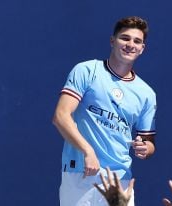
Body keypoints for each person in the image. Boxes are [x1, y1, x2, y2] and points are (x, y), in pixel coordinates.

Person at [53, 16, 157, 206]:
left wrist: (145, 149)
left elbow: (149, 142)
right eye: (124, 38)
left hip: (120, 180)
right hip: (80, 173)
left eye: (137, 41)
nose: (130, 44)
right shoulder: (86, 70)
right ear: (112, 41)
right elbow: (61, 116)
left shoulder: (146, 93)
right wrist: (88, 150)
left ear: (142, 48)